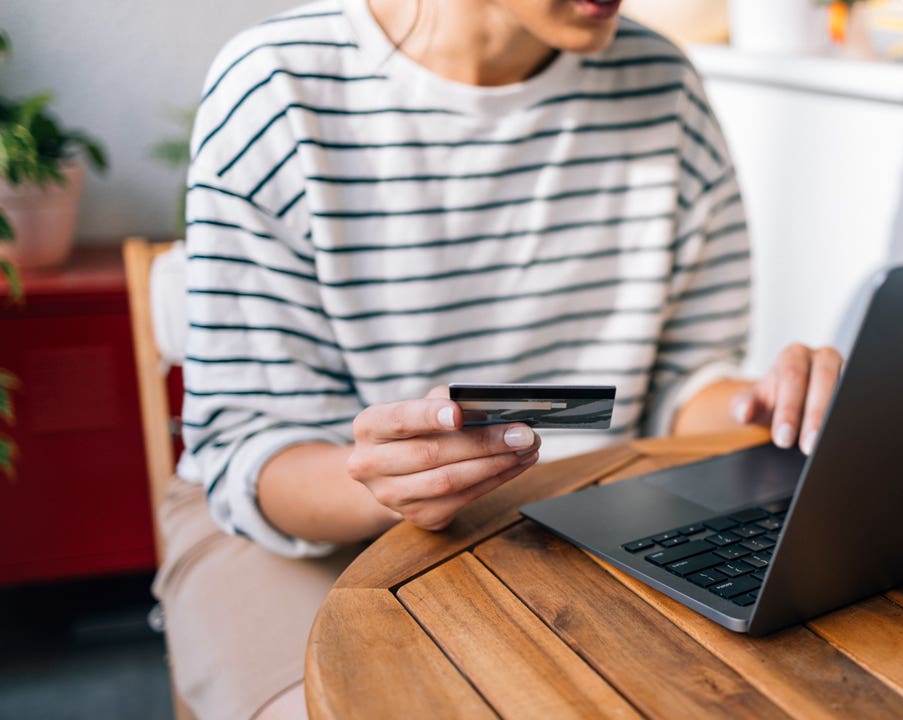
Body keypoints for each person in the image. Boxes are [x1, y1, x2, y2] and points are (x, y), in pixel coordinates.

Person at [154, 0, 844, 717]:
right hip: (300, 536)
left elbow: (677, 384)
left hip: (568, 523)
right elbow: (248, 449)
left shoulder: (663, 85)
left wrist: (767, 405)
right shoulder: (277, 87)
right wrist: (382, 487)